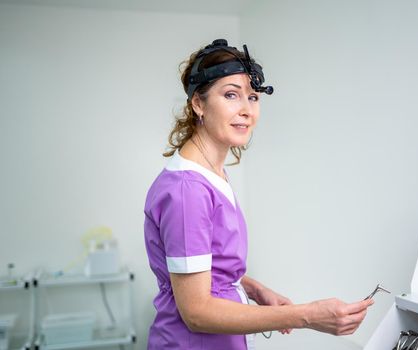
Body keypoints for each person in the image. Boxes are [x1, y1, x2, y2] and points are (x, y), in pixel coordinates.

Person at [144, 39, 374, 350]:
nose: (246, 111)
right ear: (198, 103)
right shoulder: (188, 191)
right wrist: (305, 316)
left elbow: (204, 271)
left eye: (253, 97)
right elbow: (196, 312)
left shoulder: (210, 174)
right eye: (230, 95)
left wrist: (251, 287)